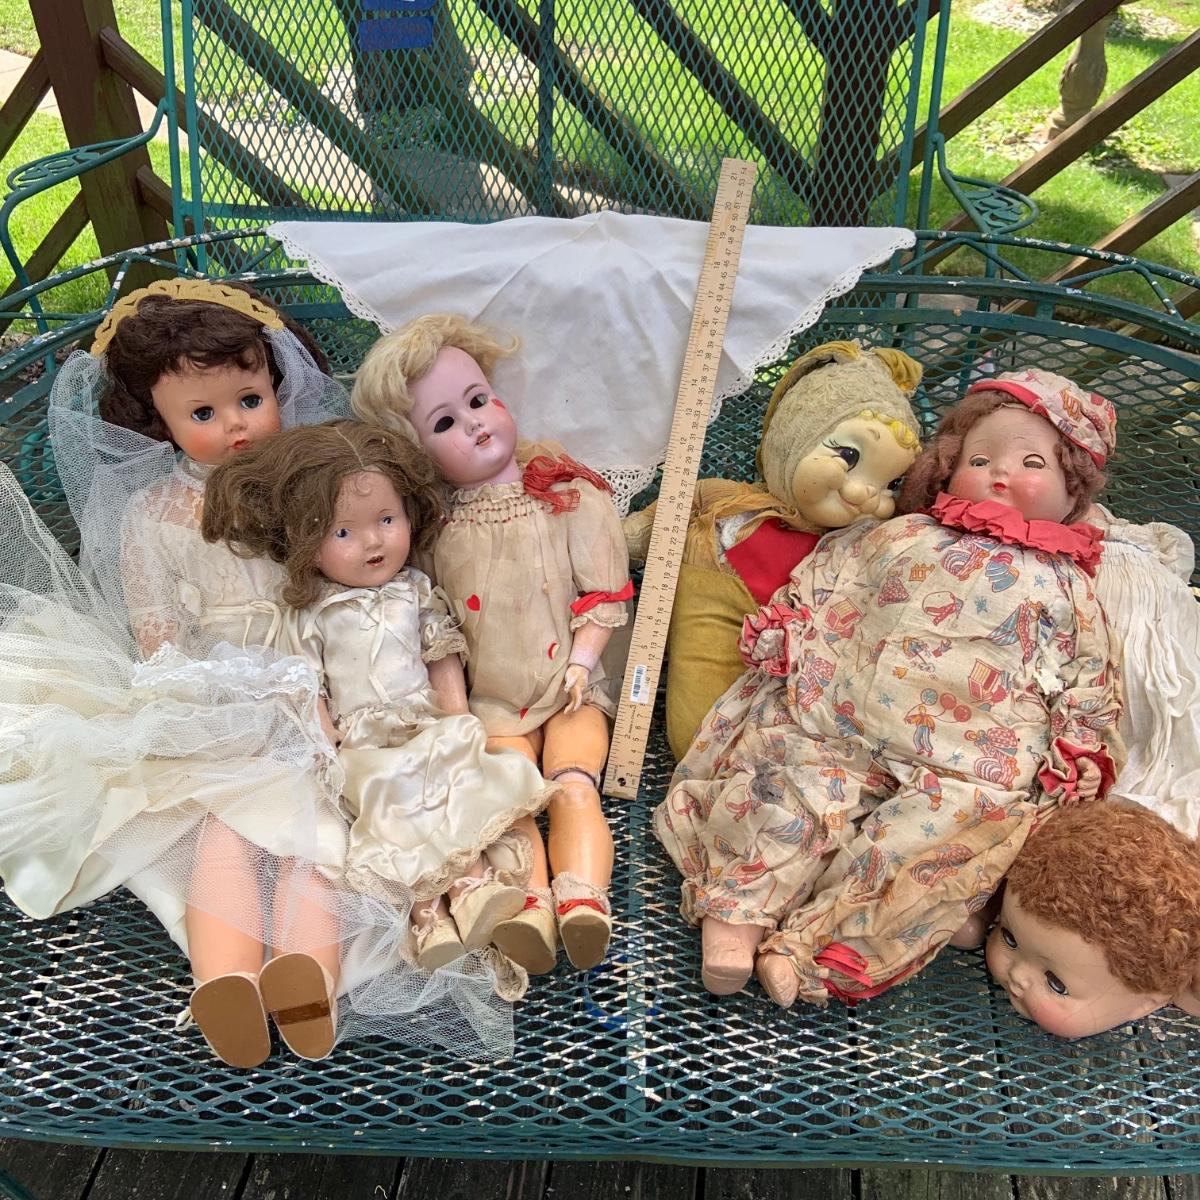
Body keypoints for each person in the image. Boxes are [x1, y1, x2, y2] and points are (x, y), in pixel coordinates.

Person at [655, 368, 1123, 1007]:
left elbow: (1086, 674)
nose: (999, 473)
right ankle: (734, 919)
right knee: (789, 785)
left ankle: (814, 951)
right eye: (978, 459)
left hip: (968, 757)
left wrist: (1080, 747)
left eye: (1032, 463)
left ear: (1073, 489)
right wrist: (792, 625)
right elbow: (830, 577)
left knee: (935, 840)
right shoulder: (905, 533)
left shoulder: (1069, 587)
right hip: (843, 718)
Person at [351, 314, 633, 974]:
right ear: (418, 453)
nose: (475, 424)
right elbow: (434, 621)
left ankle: (583, 903)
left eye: (479, 400)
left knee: (573, 784)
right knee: (509, 807)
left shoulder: (565, 496)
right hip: (491, 705)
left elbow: (604, 595)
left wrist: (582, 661)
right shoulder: (434, 532)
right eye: (445, 422)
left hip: (570, 688)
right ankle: (531, 907)